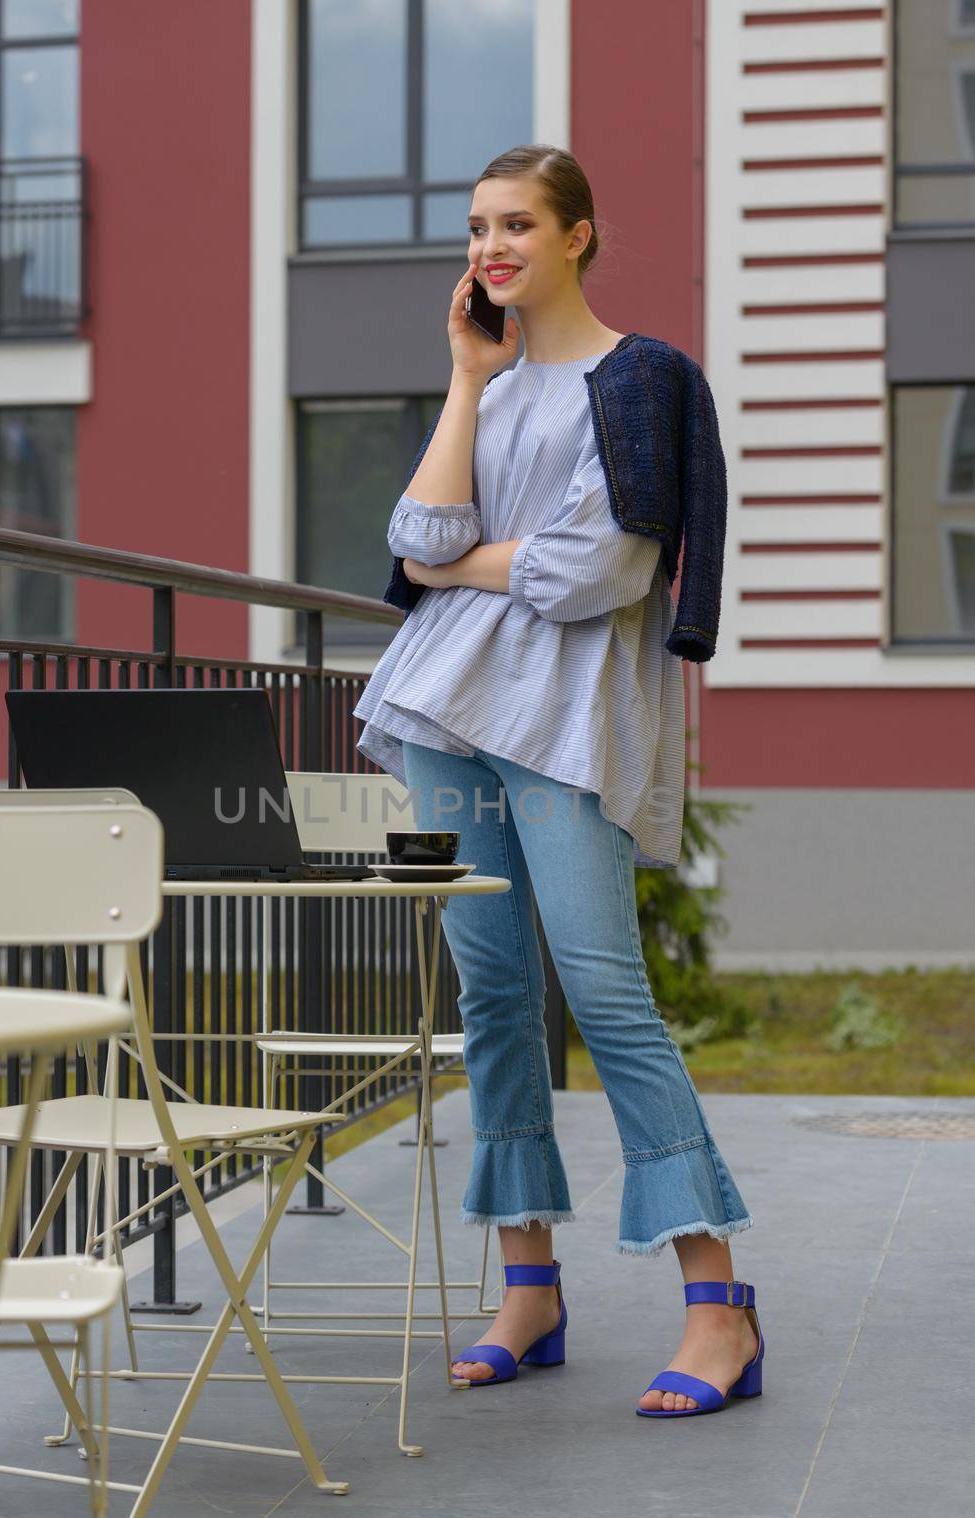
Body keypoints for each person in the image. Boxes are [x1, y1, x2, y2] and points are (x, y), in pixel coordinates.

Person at [352, 145, 763, 1417]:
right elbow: (416, 542)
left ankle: (720, 1310)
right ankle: (528, 1289)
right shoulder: (494, 383)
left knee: (605, 989)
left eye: (517, 223)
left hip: (564, 721)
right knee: (492, 998)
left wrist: (470, 560)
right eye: (478, 227)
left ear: (580, 234)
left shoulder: (642, 381)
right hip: (443, 714)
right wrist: (468, 382)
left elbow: (599, 573)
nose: (491, 247)